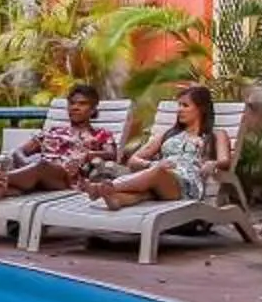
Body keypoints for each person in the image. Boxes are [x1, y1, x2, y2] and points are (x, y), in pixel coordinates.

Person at [96, 84, 226, 209]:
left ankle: (105, 188)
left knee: (158, 173)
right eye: (179, 105)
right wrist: (150, 165)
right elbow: (133, 160)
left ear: (201, 109)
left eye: (185, 105)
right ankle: (116, 199)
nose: (179, 109)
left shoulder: (215, 135)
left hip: (187, 185)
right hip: (162, 179)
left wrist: (213, 163)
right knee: (146, 191)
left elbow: (225, 161)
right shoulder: (168, 134)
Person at [0, 83, 117, 197]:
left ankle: (1, 178)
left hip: (65, 179)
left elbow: (112, 154)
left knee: (41, 165)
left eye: (82, 104)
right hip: (36, 173)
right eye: (72, 103)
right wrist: (26, 163)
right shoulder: (53, 131)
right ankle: (4, 189)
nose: (75, 107)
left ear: (93, 110)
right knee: (34, 164)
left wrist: (88, 155)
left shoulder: (101, 135)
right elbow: (19, 150)